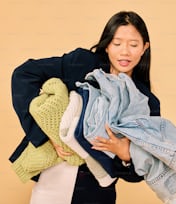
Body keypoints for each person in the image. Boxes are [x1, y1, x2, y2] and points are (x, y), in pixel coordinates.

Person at [9, 11, 160, 204]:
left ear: (144, 48)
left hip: (97, 193)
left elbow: (140, 173)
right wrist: (44, 135)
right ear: (106, 45)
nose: (125, 52)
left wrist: (125, 155)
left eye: (133, 45)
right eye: (117, 43)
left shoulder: (147, 102)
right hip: (53, 181)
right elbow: (24, 74)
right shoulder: (82, 63)